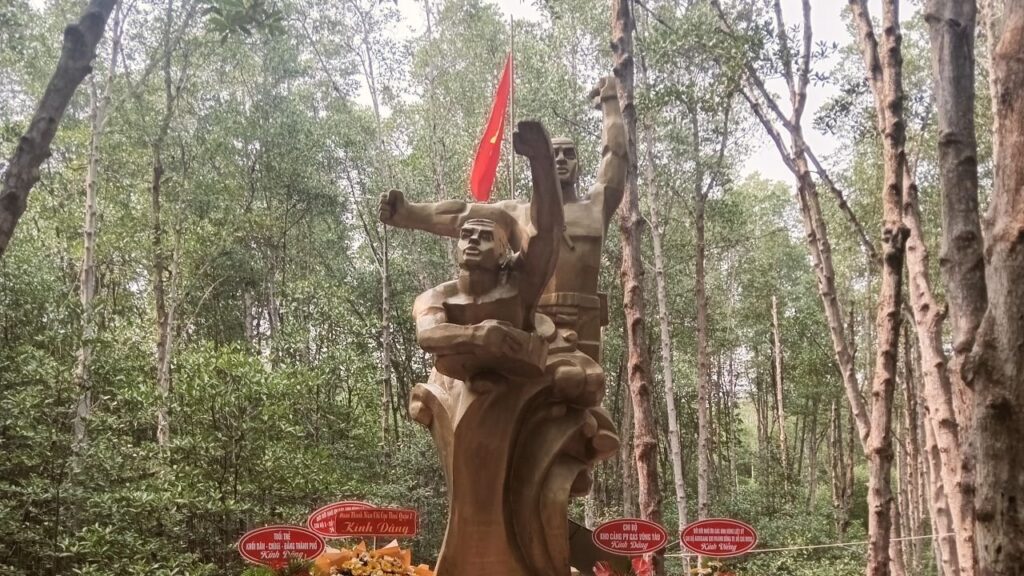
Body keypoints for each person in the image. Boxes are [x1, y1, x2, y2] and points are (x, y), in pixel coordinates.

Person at [381, 76, 626, 362]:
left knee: (579, 390)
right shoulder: (515, 213)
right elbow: (461, 214)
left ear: (579, 167)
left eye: (569, 155)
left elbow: (616, 156)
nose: (560, 160)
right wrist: (409, 213)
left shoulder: (596, 206)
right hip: (532, 316)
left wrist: (611, 104)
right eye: (555, 153)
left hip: (583, 318)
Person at [411, 120, 563, 382]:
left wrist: (541, 160)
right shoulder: (435, 296)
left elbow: (547, 232)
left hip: (522, 389)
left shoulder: (521, 283)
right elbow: (427, 335)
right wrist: (478, 335)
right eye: (467, 236)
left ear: (504, 252)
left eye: (485, 237)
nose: (472, 241)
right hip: (461, 389)